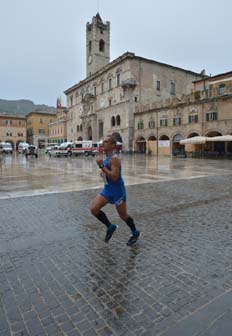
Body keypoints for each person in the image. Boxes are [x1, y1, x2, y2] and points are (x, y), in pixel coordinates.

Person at [90, 135, 140, 246]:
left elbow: (114, 177)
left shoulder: (114, 159)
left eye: (106, 141)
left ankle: (135, 232)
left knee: (123, 216)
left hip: (117, 192)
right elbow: (108, 175)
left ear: (113, 145)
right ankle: (110, 226)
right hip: (107, 190)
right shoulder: (107, 158)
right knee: (94, 209)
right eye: (103, 141)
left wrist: (101, 166)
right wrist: (103, 173)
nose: (104, 143)